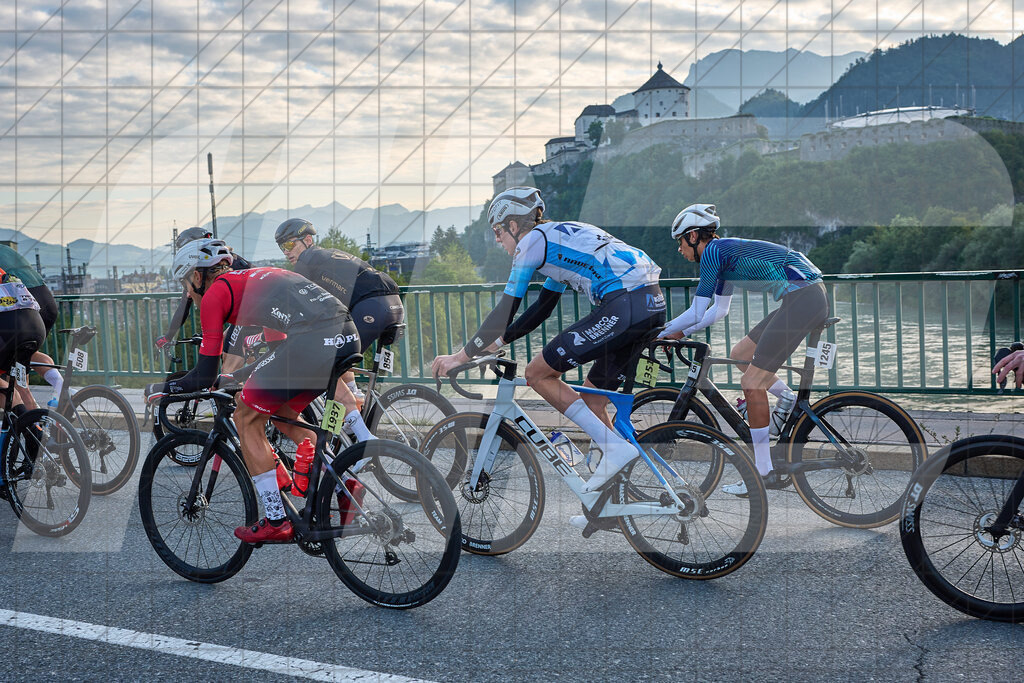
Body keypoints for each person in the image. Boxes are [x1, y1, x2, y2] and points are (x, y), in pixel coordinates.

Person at [431, 187, 666, 494]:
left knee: (536, 373)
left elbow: (506, 309)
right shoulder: (555, 240)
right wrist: (497, 341)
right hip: (650, 303)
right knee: (594, 400)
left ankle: (616, 451)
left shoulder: (530, 243)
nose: (498, 240)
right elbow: (541, 309)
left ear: (514, 226)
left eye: (498, 231)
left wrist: (460, 357)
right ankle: (610, 499)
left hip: (625, 303)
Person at [144, 239, 369, 543]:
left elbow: (204, 376)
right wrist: (243, 374)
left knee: (245, 417)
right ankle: (343, 484)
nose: (187, 292)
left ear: (198, 277)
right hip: (346, 334)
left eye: (186, 283)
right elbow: (277, 345)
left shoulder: (214, 295)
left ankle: (276, 519)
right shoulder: (257, 278)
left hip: (313, 340)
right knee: (280, 413)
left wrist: (164, 388)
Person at [661, 203, 829, 495]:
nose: (679, 250)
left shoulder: (713, 252)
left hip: (803, 298)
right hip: (805, 297)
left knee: (751, 382)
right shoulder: (723, 256)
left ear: (692, 236)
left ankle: (762, 473)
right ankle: (786, 398)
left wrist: (661, 333)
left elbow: (697, 309)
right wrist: (680, 332)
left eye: (680, 242)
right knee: (740, 354)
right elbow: (717, 312)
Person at [275, 218, 404, 403]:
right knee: (341, 358)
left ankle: (356, 423)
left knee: (325, 365)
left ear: (308, 240)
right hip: (393, 303)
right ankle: (357, 405)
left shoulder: (307, 260)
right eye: (282, 247)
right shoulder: (328, 256)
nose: (286, 252)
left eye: (289, 244)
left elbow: (297, 303)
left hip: (372, 306)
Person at [154, 227, 265, 374]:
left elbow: (183, 308)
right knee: (233, 345)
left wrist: (167, 337)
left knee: (228, 370)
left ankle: (239, 390)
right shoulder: (225, 259)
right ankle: (255, 390)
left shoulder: (208, 269)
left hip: (253, 313)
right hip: (262, 310)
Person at [0, 245, 61, 408]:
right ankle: (63, 388)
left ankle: (32, 427)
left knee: (19, 383)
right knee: (26, 355)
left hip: (19, 308)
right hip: (43, 300)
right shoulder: (5, 249)